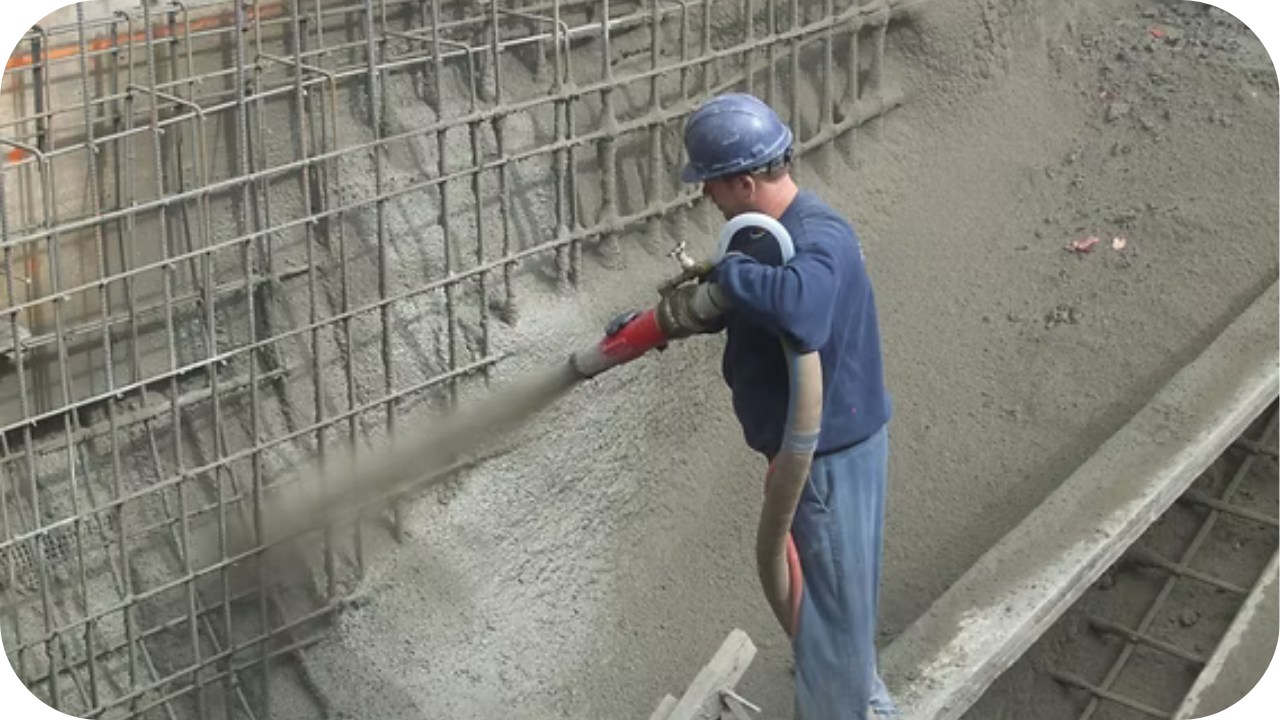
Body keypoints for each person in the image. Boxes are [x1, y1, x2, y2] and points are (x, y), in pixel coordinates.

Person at [680, 93, 897, 720]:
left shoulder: (818, 235)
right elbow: (755, 304)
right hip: (821, 456)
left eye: (711, 187)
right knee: (831, 610)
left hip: (827, 464)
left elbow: (798, 310)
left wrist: (727, 276)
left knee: (828, 626)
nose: (706, 200)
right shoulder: (774, 242)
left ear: (745, 181)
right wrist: (675, 312)